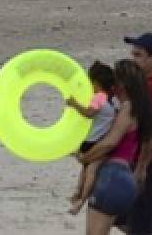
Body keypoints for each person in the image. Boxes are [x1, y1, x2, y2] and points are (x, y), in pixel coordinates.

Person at [80, 59, 152, 235]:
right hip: (124, 178)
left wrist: (86, 157)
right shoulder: (138, 109)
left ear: (122, 84)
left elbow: (110, 142)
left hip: (111, 178)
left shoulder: (127, 108)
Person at [118, 33, 152, 235]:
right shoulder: (144, 86)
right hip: (140, 163)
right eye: (133, 55)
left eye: (138, 55)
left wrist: (141, 167)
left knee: (142, 228)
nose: (133, 60)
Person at [65, 61, 117, 215]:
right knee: (89, 170)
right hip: (96, 141)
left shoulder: (99, 97)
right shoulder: (105, 98)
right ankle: (80, 198)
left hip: (91, 141)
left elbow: (89, 114)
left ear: (96, 82)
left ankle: (79, 196)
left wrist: (75, 104)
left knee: (87, 170)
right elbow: (91, 114)